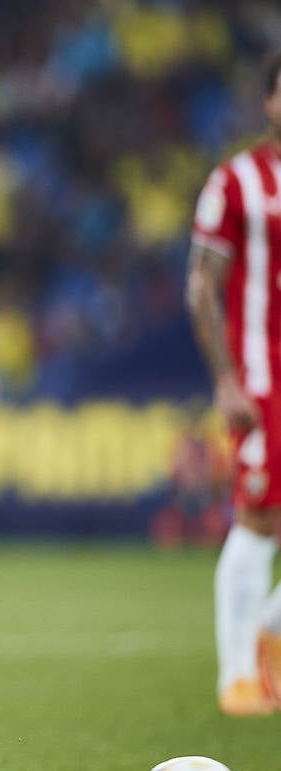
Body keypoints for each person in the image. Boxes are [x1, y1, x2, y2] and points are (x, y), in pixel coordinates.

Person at [185, 50, 281, 717]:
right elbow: (201, 284)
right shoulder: (238, 181)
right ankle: (239, 675)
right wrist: (224, 377)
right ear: (271, 103)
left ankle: (269, 638)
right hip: (262, 374)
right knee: (258, 514)